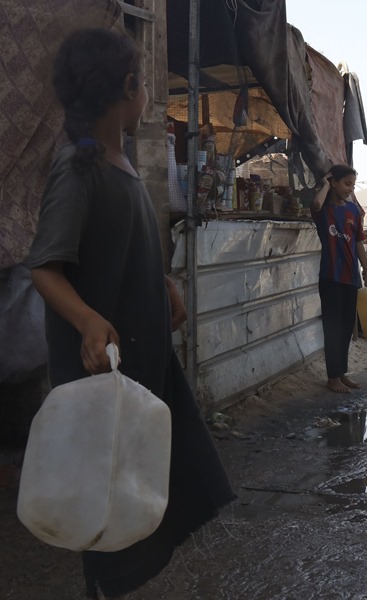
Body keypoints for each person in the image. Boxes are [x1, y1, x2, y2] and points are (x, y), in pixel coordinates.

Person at [25, 28, 234, 598]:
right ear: (127, 88)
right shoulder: (79, 168)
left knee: (148, 487)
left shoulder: (120, 161)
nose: (148, 92)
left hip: (142, 358)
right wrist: (89, 321)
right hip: (102, 369)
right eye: (144, 81)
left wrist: (163, 281)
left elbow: (119, 242)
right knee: (106, 501)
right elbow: (44, 265)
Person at [312, 164, 367, 393]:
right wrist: (325, 183)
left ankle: (341, 373)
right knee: (333, 327)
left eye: (353, 185)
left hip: (351, 277)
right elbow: (316, 204)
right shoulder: (324, 211)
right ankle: (332, 378)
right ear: (335, 183)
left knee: (347, 327)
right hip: (330, 277)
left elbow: (358, 243)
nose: (350, 189)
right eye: (346, 184)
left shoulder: (352, 212)